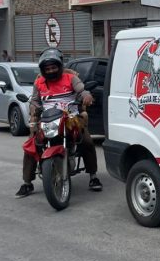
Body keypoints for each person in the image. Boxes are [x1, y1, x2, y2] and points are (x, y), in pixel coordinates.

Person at [16, 48, 101, 198]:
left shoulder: (70, 78)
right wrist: (33, 108)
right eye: (47, 69)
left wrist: (86, 96)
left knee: (87, 142)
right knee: (32, 146)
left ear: (60, 66)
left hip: (71, 119)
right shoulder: (39, 83)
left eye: (53, 67)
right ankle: (27, 183)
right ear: (43, 70)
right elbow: (35, 101)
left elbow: (82, 91)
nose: (51, 71)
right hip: (48, 120)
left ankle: (93, 176)